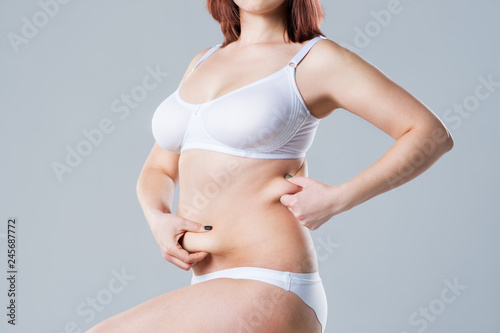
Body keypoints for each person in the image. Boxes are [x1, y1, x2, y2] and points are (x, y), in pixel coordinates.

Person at [87, 0, 454, 332]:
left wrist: (339, 198)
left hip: (272, 283)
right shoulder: (202, 61)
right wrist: (157, 218)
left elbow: (429, 133)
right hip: (209, 287)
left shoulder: (315, 59)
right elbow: (159, 168)